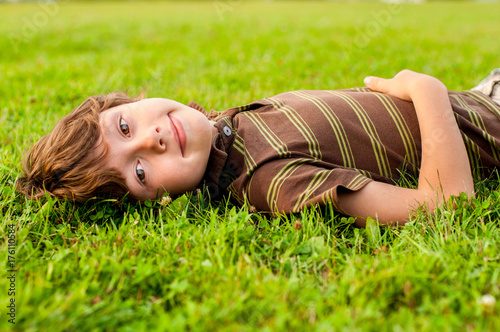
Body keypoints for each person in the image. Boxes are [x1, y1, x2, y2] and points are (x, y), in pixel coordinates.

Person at [16, 69, 500, 226]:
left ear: (131, 101)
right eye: (139, 172)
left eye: (124, 127)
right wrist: (427, 91)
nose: (151, 139)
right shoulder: (269, 180)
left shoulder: (228, 128)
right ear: (160, 200)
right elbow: (443, 205)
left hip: (484, 94)